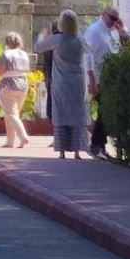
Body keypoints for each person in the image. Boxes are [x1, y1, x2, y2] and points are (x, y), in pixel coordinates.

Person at [34, 11, 91, 161]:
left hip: (61, 83)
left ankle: (62, 151)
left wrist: (43, 34)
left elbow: (38, 47)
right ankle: (78, 150)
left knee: (61, 115)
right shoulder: (80, 40)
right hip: (78, 82)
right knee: (78, 115)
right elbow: (90, 49)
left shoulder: (57, 40)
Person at [83, 6, 130, 158]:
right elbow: (88, 56)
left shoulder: (113, 31)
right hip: (97, 77)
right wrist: (91, 80)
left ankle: (99, 144)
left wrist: (123, 31)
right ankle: (97, 144)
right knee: (104, 108)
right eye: (112, 18)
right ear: (104, 15)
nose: (114, 22)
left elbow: (118, 49)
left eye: (116, 19)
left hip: (108, 77)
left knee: (106, 110)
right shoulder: (94, 31)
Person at [0, 32, 31, 149]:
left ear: (7, 42)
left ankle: (23, 136)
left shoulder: (6, 54)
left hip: (8, 84)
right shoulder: (24, 54)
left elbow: (0, 71)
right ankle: (10, 141)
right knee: (13, 113)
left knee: (11, 113)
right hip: (23, 84)